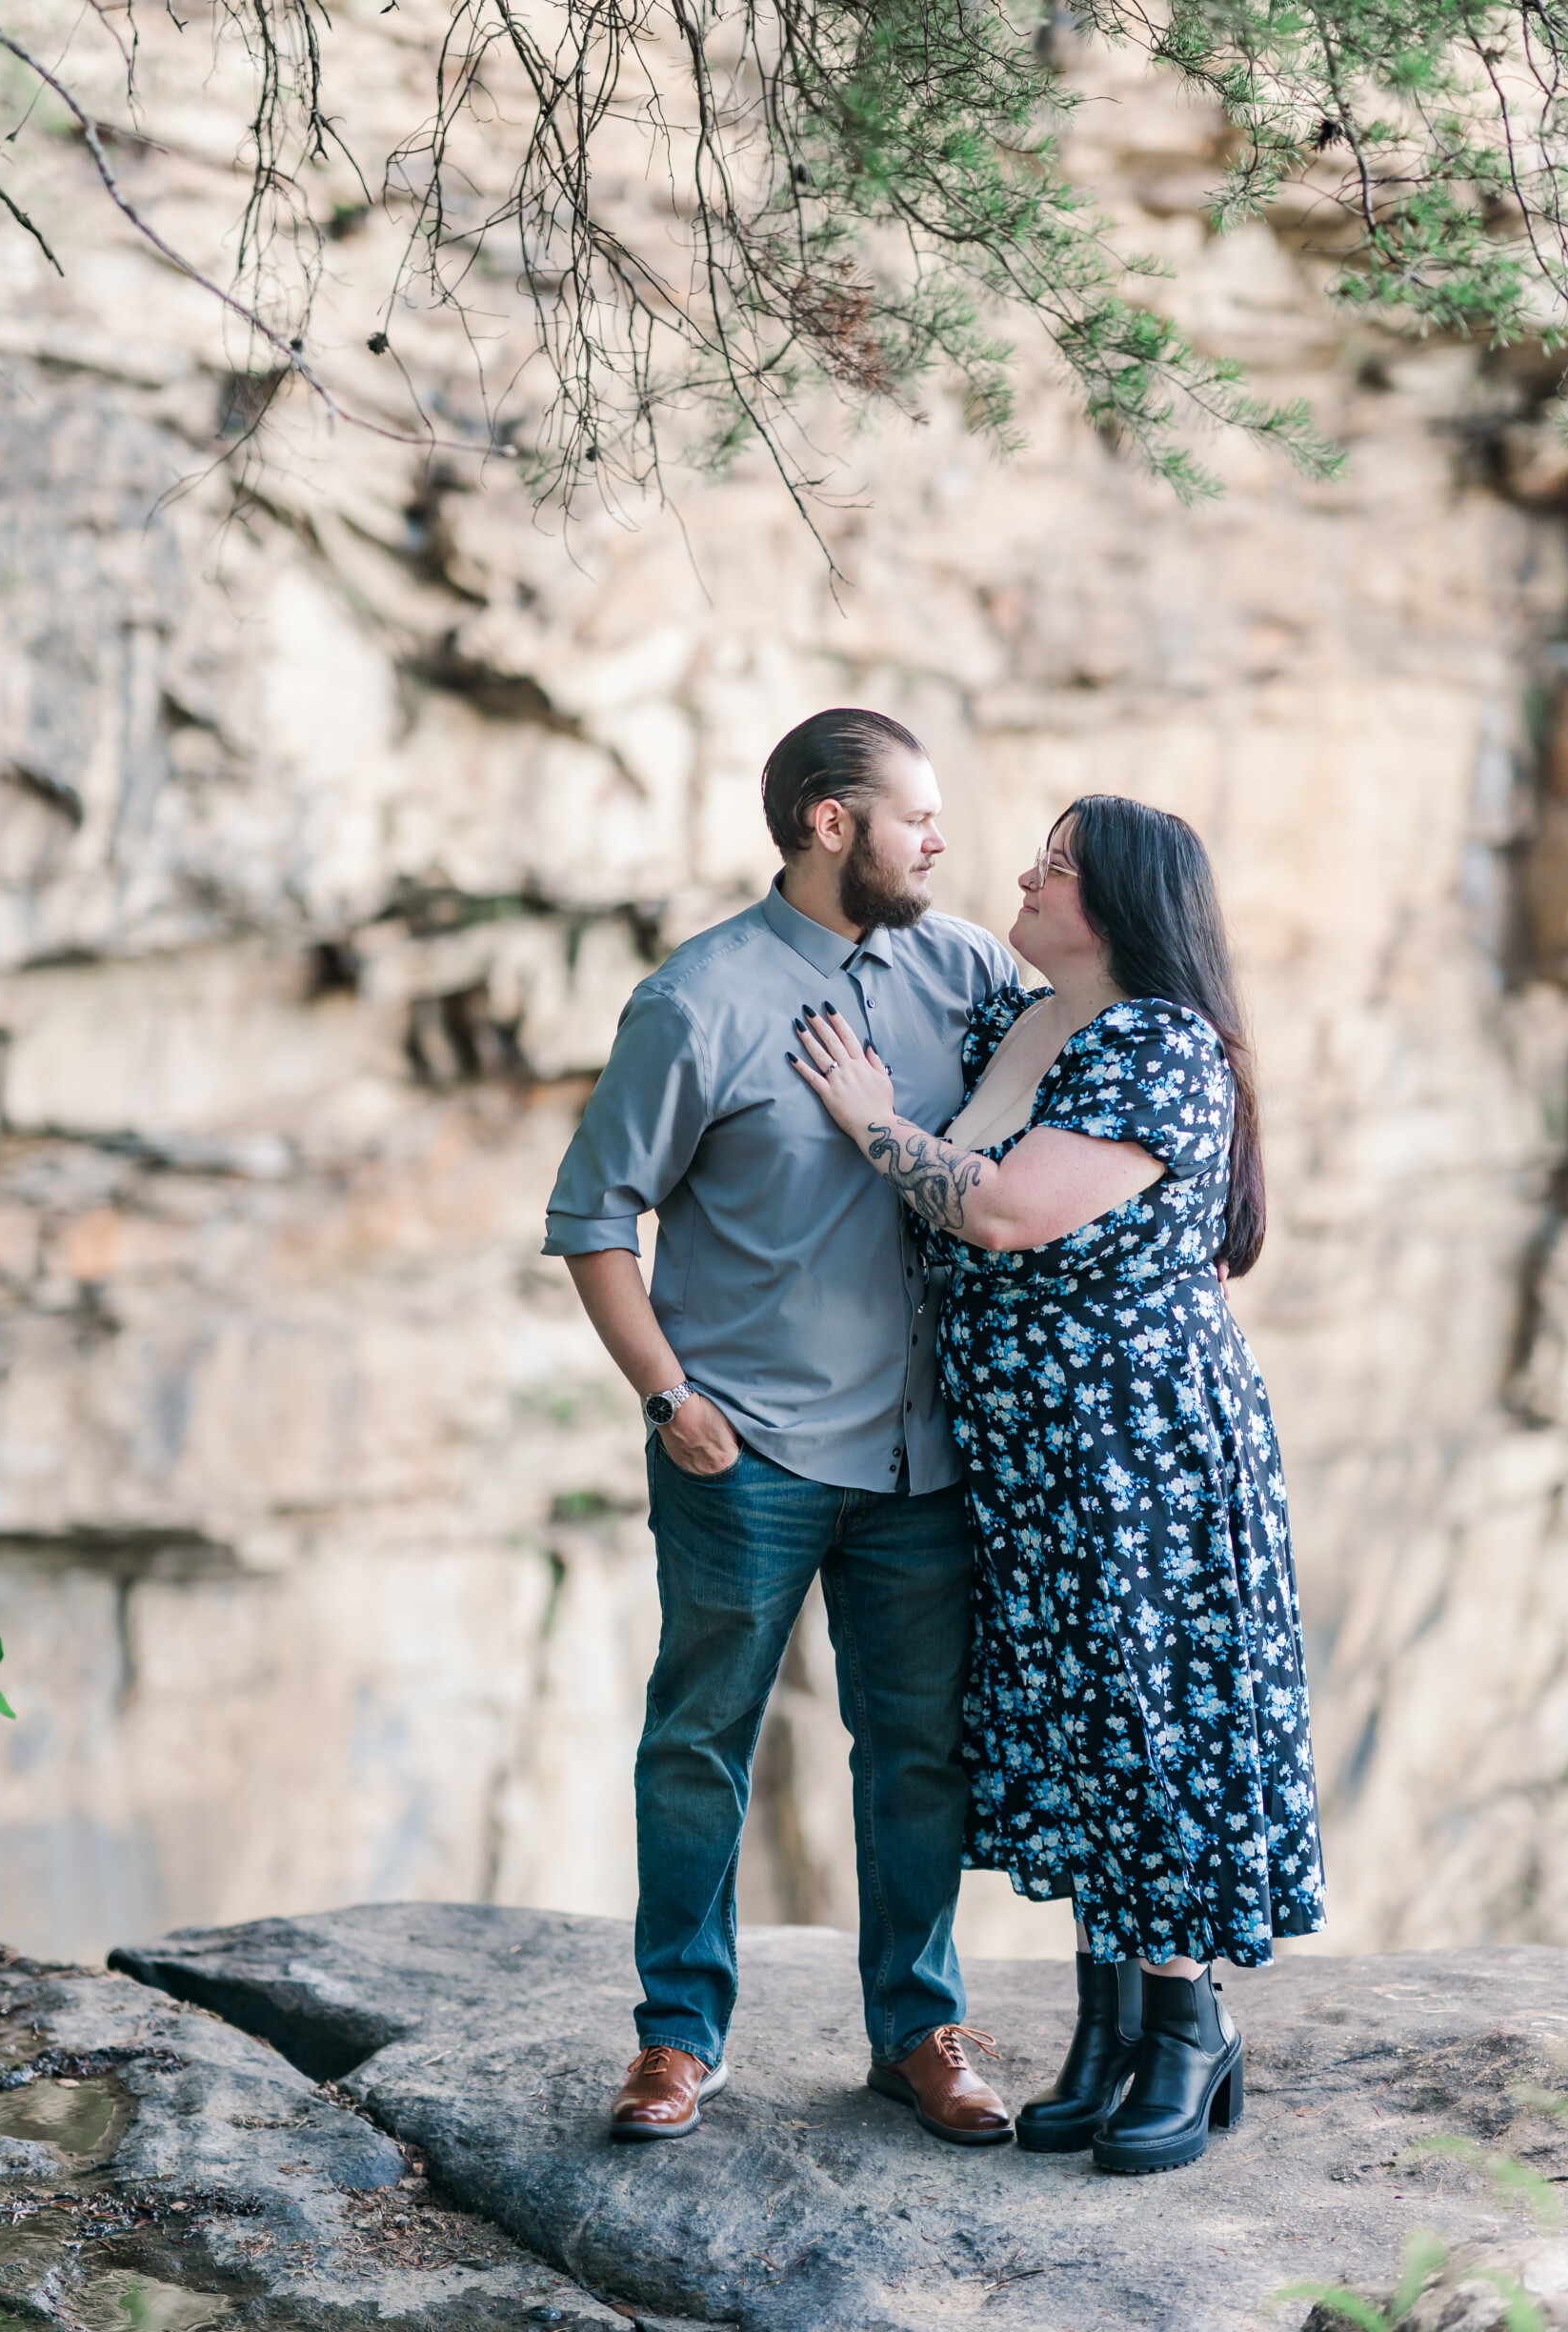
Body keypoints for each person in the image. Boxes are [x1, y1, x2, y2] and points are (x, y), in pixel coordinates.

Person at [789, 793, 1325, 2176]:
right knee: (1072, 1717)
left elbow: (1007, 1209)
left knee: (1147, 1719)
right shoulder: (1016, 1022)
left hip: (1138, 1449)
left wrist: (863, 1118)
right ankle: (1109, 2031)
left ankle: (1186, 2027)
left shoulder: (1160, 1044)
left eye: (1062, 865)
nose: (1027, 875)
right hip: (1032, 1458)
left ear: (1128, 907)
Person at [544, 708, 1020, 2145]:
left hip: (923, 1459)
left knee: (918, 1749)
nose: (940, 840)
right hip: (741, 1453)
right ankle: (678, 2040)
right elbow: (590, 1216)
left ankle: (919, 2031)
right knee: (701, 1739)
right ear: (830, 822)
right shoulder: (698, 1001)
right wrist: (670, 1399)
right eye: (915, 816)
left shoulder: (972, 975)